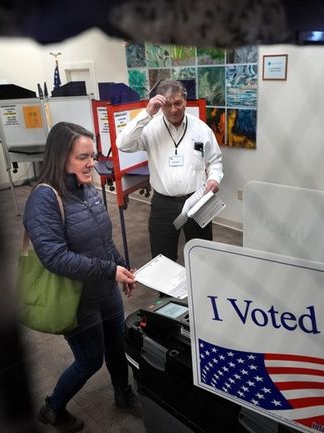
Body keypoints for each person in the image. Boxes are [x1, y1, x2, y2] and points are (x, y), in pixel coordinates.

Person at [23, 122, 138, 432]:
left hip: (105, 290)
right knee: (89, 361)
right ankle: (52, 408)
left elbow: (103, 238)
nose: (92, 163)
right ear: (61, 158)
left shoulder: (88, 188)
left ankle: (123, 393)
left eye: (93, 155)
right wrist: (108, 270)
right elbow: (54, 257)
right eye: (83, 157)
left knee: (117, 345)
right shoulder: (44, 199)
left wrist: (120, 267)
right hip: (76, 300)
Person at [117, 80, 224, 262]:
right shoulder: (150, 128)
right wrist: (147, 113)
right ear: (160, 105)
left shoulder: (201, 129)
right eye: (167, 104)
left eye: (178, 103)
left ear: (186, 101)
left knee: (203, 256)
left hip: (197, 200)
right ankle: (166, 293)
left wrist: (214, 179)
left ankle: (200, 289)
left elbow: (215, 161)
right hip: (163, 205)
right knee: (162, 259)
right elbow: (123, 144)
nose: (173, 109)